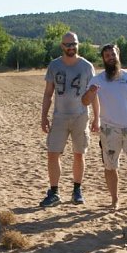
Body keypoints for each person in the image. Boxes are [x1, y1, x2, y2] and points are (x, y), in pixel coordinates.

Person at [81, 44, 127, 209]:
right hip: (108, 130)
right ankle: (114, 199)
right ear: (103, 59)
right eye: (106, 55)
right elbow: (85, 101)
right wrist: (91, 92)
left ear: (118, 55)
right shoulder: (96, 80)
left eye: (112, 54)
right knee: (110, 165)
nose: (110, 57)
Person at [40, 32, 99, 207]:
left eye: (74, 44)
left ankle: (77, 190)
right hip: (59, 117)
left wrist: (97, 118)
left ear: (78, 44)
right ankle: (54, 191)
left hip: (81, 117)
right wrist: (43, 116)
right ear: (61, 46)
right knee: (53, 154)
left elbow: (94, 95)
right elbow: (48, 93)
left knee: (79, 154)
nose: (71, 47)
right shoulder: (54, 65)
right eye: (67, 45)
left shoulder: (87, 67)